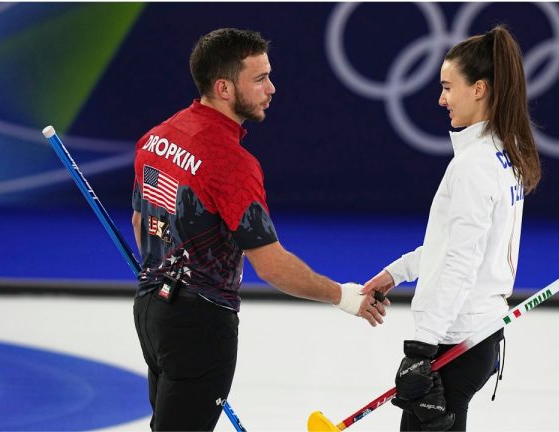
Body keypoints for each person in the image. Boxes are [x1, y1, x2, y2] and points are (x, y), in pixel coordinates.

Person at [130, 28, 388, 431]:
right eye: (259, 78)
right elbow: (270, 266)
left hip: (151, 310)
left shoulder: (156, 138)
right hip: (200, 325)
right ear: (224, 87)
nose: (272, 88)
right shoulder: (232, 163)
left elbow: (141, 221)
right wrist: (343, 296)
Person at [361, 26, 542, 431]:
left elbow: (461, 260)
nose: (441, 99)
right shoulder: (503, 152)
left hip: (456, 340)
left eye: (447, 87)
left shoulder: (473, 166)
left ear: (478, 89)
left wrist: (422, 346)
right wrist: (398, 272)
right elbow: (455, 245)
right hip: (477, 335)